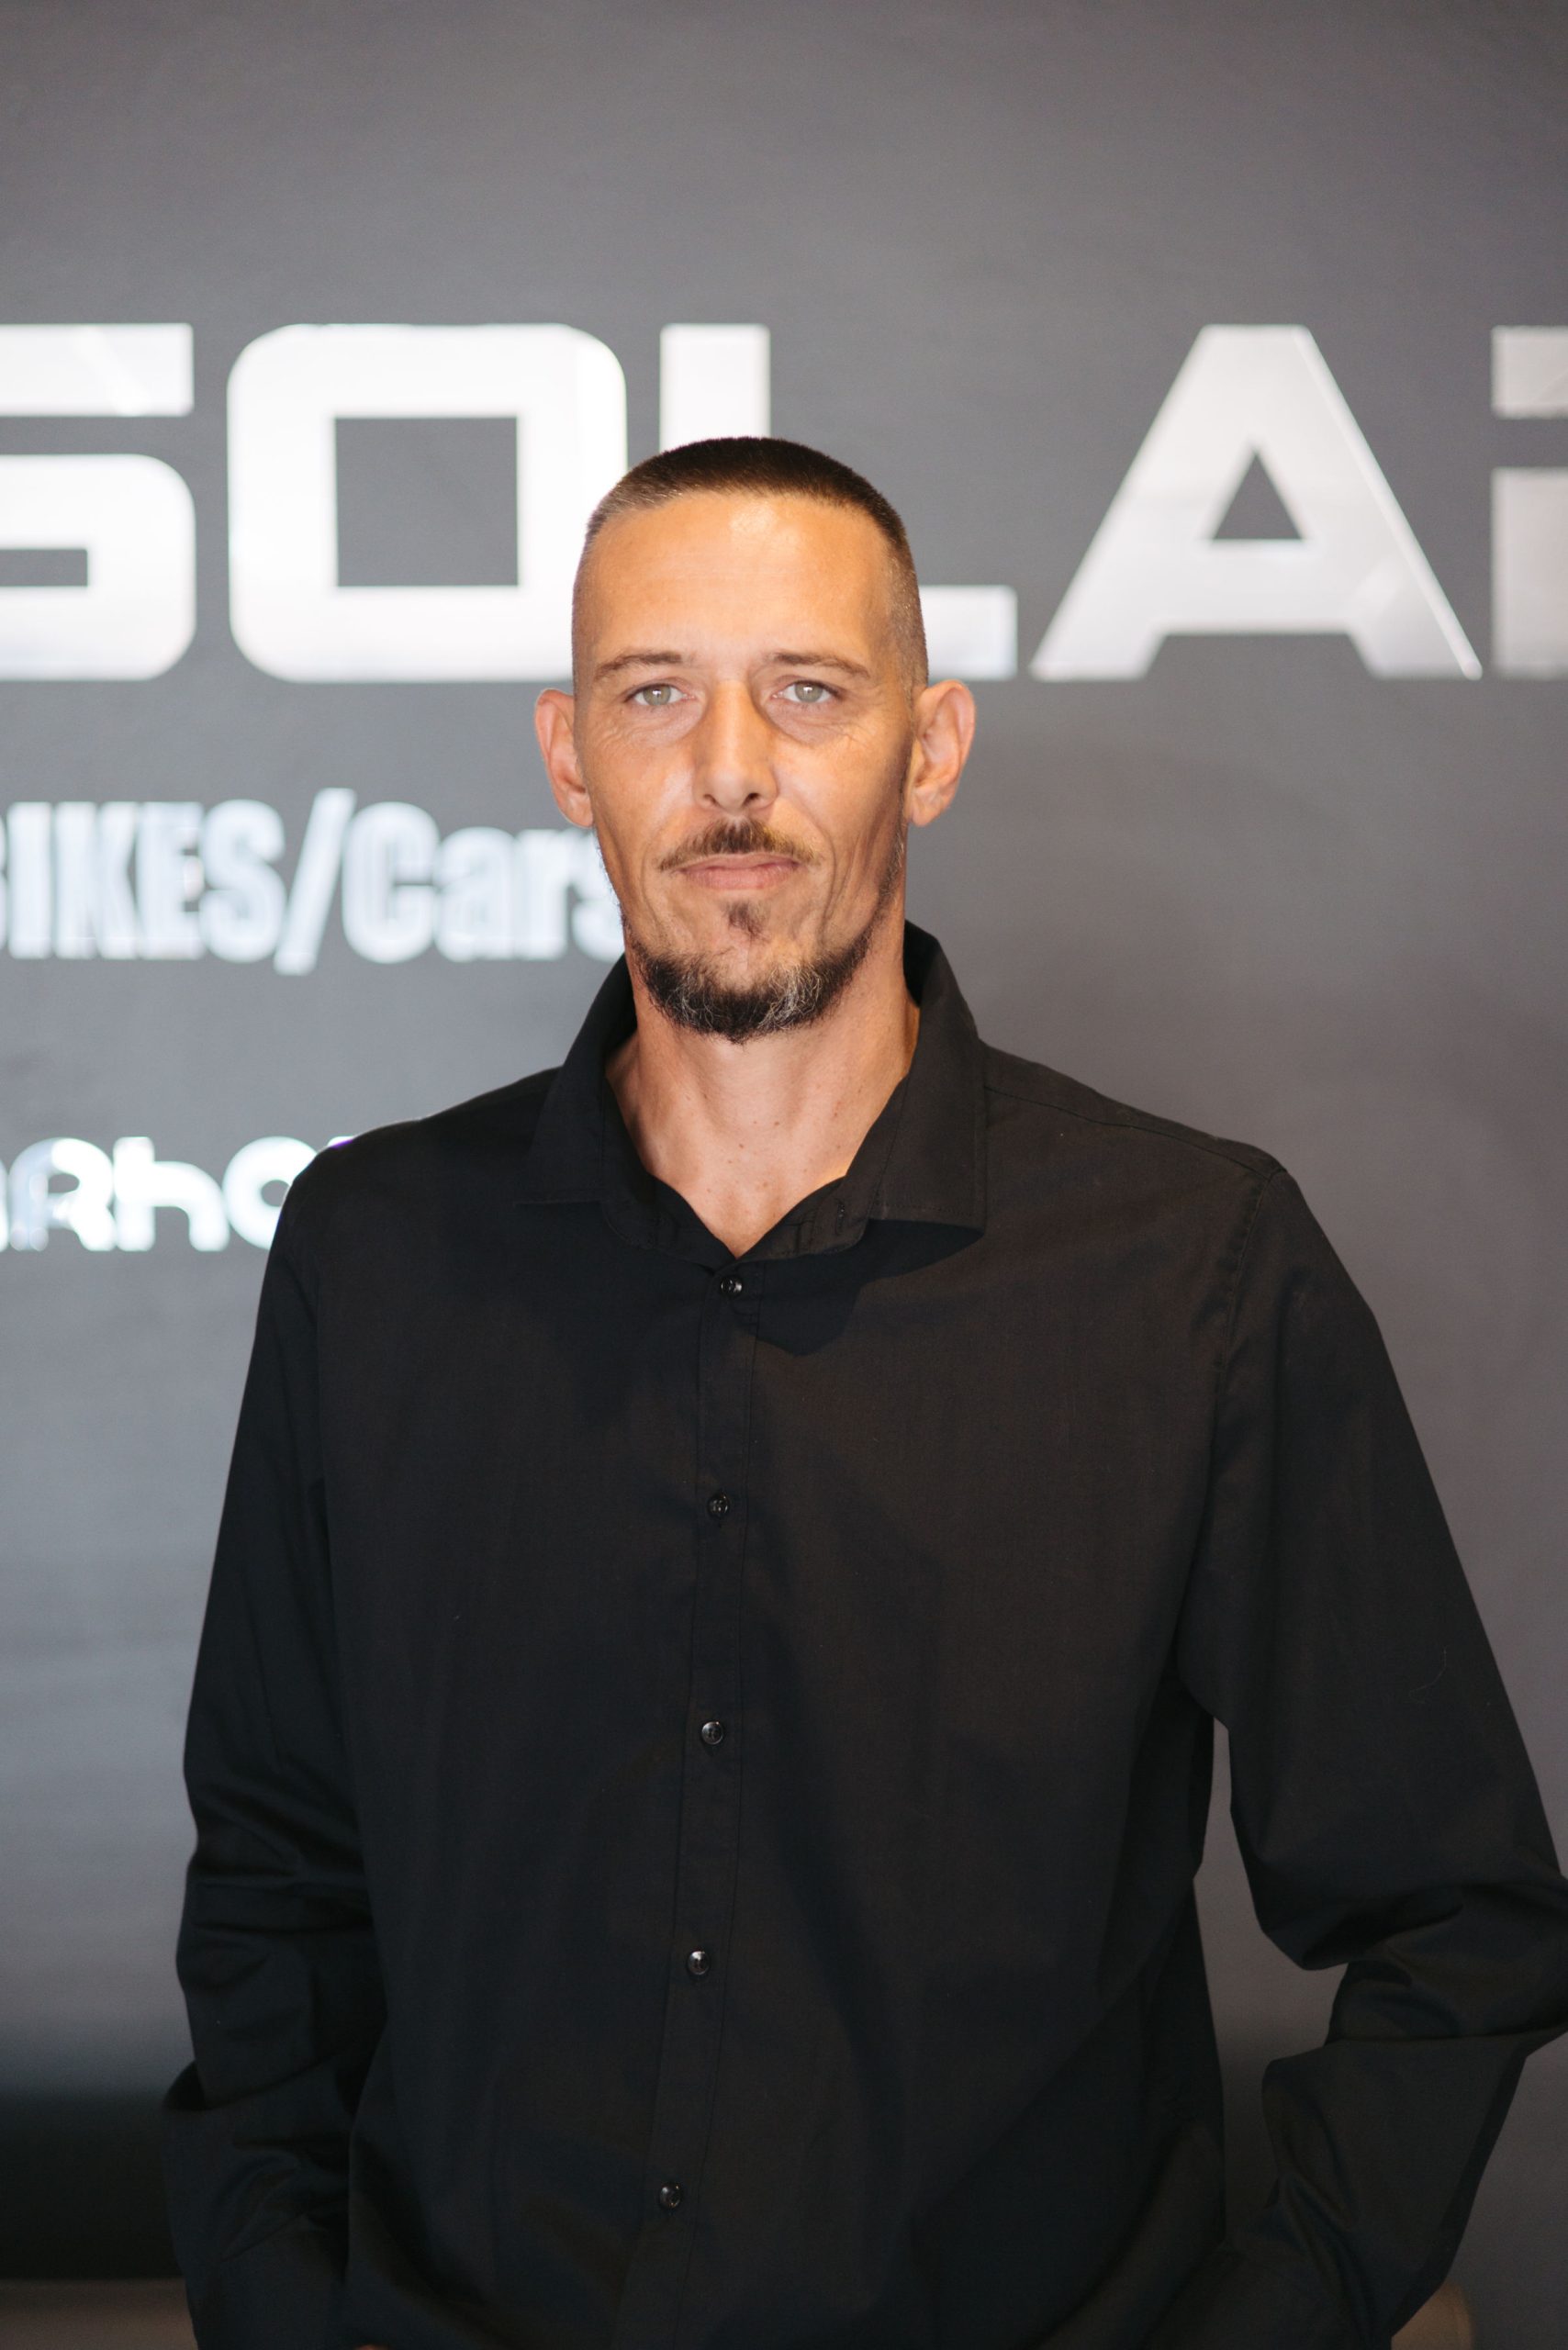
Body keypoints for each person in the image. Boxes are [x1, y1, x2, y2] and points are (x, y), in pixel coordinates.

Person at [162, 436, 1568, 2350]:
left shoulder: (1196, 1267)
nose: (730, 768)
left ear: (931, 744)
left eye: (808, 691)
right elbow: (275, 1880)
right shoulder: (376, 1257)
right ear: (570, 755)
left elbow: (1453, 1910)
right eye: (655, 693)